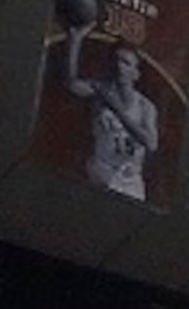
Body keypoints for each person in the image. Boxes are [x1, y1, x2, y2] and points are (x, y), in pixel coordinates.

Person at [62, 27, 163, 203]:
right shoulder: (100, 89)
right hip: (99, 171)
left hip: (129, 179)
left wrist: (117, 109)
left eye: (125, 62)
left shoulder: (146, 107)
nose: (119, 66)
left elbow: (151, 143)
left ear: (136, 74)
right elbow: (71, 84)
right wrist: (75, 41)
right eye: (116, 60)